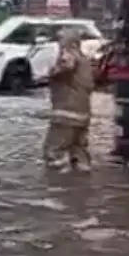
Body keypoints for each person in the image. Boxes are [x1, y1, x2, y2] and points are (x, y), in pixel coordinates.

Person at [45, 27, 94, 170]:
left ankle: (56, 186)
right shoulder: (85, 61)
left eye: (60, 40)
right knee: (79, 153)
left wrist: (53, 71)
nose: (58, 44)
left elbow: (66, 66)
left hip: (65, 115)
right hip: (83, 116)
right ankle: (81, 185)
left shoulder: (68, 56)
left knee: (54, 152)